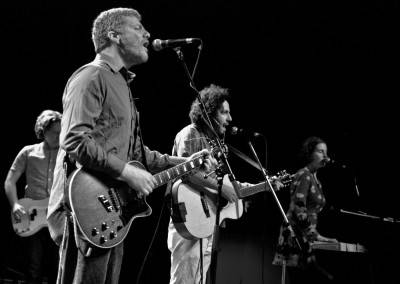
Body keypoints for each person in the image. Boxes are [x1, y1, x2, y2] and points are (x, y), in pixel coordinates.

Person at [46, 7, 214, 284]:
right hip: (84, 209)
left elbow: (138, 156)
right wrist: (126, 172)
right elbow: (74, 140)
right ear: (114, 36)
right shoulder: (91, 77)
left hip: (111, 212)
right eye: (137, 28)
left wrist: (186, 162)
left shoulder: (121, 85)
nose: (147, 33)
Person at [167, 84, 247, 284]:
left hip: (206, 218)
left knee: (199, 278)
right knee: (184, 279)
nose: (229, 119)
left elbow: (220, 181)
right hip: (188, 215)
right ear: (208, 113)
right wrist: (224, 189)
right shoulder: (190, 133)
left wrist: (248, 188)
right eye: (224, 113)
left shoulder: (216, 143)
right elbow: (188, 173)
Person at [4, 109, 62, 284]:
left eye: (62, 132)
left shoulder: (67, 154)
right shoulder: (28, 152)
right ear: (42, 131)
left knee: (57, 267)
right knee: (33, 267)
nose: (59, 136)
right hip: (32, 215)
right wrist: (14, 205)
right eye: (54, 133)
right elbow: (9, 181)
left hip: (57, 216)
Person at [273, 136, 338, 283]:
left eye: (326, 152)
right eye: (321, 152)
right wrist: (313, 233)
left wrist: (315, 234)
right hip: (296, 237)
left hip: (307, 237)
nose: (325, 156)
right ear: (310, 154)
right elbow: (298, 206)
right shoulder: (304, 175)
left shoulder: (316, 179)